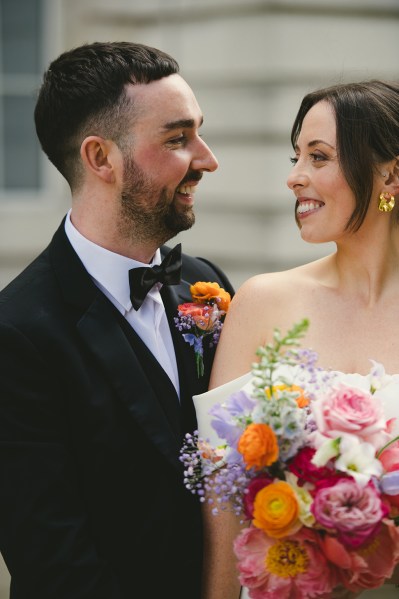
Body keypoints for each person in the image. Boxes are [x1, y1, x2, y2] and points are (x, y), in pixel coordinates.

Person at [0, 41, 234, 599]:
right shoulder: (16, 336)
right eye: (178, 139)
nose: (206, 158)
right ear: (100, 158)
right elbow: (56, 565)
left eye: (198, 133)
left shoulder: (208, 284)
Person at [194, 80, 399, 599]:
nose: (294, 177)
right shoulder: (263, 302)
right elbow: (222, 508)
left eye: (319, 156)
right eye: (297, 156)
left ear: (391, 174)